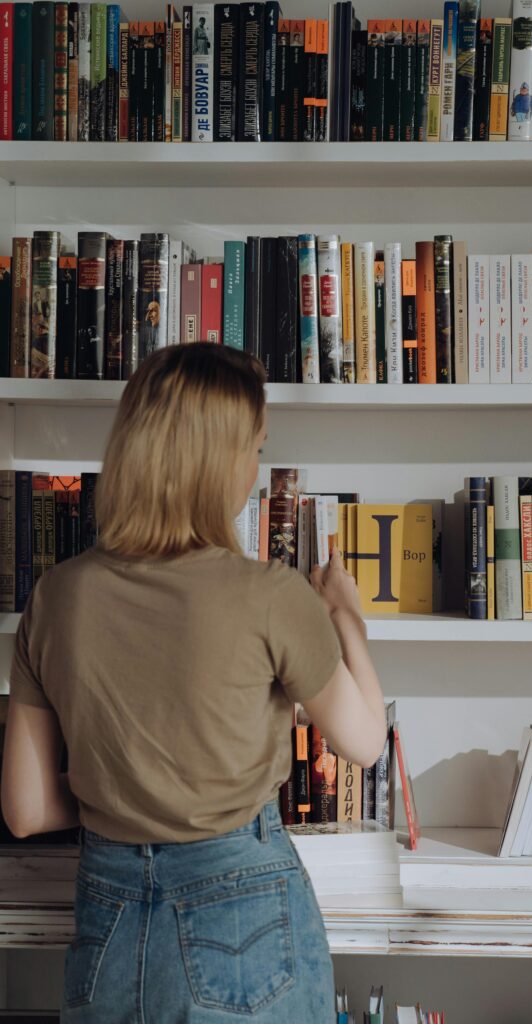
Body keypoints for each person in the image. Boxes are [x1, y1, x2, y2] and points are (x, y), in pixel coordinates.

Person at [1, 342, 387, 1022]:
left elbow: (26, 811)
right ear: (222, 461)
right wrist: (347, 619)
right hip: (245, 917)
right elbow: (363, 742)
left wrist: (124, 797)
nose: (255, 470)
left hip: (107, 917)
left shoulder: (55, 596)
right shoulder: (270, 593)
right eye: (255, 450)